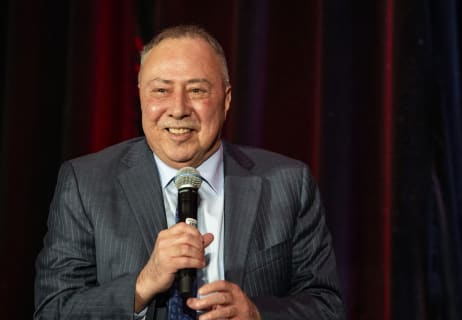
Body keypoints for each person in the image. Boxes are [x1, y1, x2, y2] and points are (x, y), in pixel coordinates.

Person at [34, 25, 345, 319]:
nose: (179, 108)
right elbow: (53, 310)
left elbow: (326, 307)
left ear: (226, 100)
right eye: (161, 90)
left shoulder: (287, 183)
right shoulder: (86, 182)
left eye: (196, 90)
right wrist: (143, 284)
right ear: (141, 96)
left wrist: (257, 314)